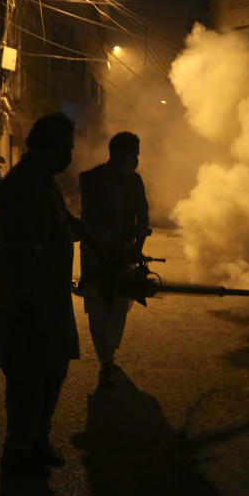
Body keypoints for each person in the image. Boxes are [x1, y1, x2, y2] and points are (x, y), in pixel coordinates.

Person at [0, 112, 81, 478]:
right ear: (50, 147)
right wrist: (31, 312)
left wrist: (87, 233)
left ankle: (36, 440)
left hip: (49, 301)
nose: (70, 155)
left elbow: (62, 221)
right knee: (29, 378)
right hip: (29, 305)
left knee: (52, 371)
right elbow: (22, 254)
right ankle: (20, 450)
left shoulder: (44, 182)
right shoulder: (24, 186)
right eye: (67, 147)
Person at [78, 131, 150, 388]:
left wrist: (137, 248)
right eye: (134, 155)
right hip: (95, 255)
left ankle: (108, 356)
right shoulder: (89, 180)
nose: (136, 160)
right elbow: (89, 219)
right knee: (97, 309)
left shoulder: (135, 183)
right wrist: (100, 247)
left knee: (119, 306)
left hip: (124, 255)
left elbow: (143, 218)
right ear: (119, 155)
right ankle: (106, 360)